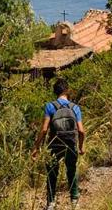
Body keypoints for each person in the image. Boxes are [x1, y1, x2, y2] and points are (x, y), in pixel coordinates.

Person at [31, 78, 85, 210]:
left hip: (54, 145)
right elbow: (81, 131)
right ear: (67, 91)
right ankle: (74, 202)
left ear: (55, 92)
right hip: (71, 144)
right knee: (71, 171)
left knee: (52, 174)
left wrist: (36, 147)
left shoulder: (50, 106)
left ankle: (51, 203)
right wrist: (81, 146)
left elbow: (44, 130)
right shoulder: (75, 108)